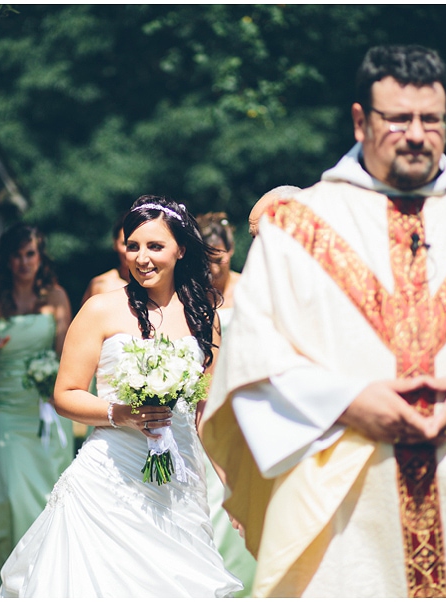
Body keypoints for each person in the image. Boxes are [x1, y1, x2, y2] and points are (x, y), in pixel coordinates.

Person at [201, 44, 446, 598]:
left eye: (431, 119)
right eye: (399, 119)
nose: (417, 134)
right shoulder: (296, 231)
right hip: (347, 506)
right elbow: (252, 351)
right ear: (361, 121)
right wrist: (346, 401)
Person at [0, 196, 242, 597]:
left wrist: (233, 488)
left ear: (181, 249)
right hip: (108, 477)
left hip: (177, 481)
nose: (142, 258)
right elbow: (65, 394)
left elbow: (205, 412)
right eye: (133, 246)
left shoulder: (203, 316)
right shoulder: (100, 310)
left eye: (155, 246)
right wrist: (123, 412)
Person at [0, 223, 75, 596]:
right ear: (7, 260)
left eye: (30, 254)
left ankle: (53, 571)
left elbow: (65, 350)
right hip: (8, 410)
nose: (24, 262)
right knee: (12, 491)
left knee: (52, 485)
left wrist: (55, 381)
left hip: (46, 404)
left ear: (40, 257)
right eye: (17, 255)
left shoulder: (56, 296)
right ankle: (14, 573)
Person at [195, 211, 256, 596]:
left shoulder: (250, 290)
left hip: (245, 404)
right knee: (214, 500)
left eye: (217, 259)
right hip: (205, 402)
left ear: (232, 251)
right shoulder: (193, 296)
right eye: (205, 260)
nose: (212, 268)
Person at [80, 212, 131, 305]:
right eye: (124, 243)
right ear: (115, 244)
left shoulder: (157, 286)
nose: (129, 250)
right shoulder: (101, 284)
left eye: (134, 245)